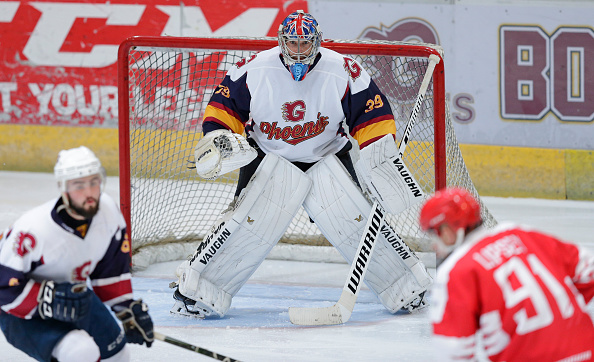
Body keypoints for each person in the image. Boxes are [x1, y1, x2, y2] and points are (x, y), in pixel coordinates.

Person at [171, 10, 432, 319]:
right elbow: (222, 109)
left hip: (328, 156)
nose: (297, 51)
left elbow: (371, 115)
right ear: (281, 42)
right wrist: (220, 139)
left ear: (316, 43)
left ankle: (405, 286)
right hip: (268, 158)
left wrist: (379, 155)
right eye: (291, 44)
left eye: (304, 45)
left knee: (358, 224)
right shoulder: (254, 69)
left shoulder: (342, 69)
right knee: (244, 226)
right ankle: (198, 292)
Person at [0, 146, 154, 362]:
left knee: (118, 354)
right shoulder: (32, 231)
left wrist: (127, 310)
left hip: (77, 299)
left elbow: (109, 274)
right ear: (63, 189)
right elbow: (4, 288)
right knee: (80, 352)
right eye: (78, 186)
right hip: (21, 314)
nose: (89, 192)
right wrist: (48, 298)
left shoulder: (108, 213)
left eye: (94, 182)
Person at [419, 187, 594, 361]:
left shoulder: (455, 270)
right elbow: (589, 269)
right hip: (586, 350)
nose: (434, 244)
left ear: (450, 230)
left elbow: (453, 351)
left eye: (434, 234)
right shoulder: (519, 232)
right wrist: (558, 309)